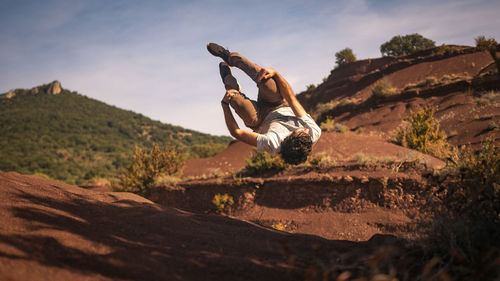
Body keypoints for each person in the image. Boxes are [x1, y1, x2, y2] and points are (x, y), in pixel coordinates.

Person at [207, 43, 321, 165]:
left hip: (259, 120)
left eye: (300, 131)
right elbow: (291, 99)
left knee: (235, 100)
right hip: (278, 104)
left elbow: (237, 133)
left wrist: (225, 106)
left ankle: (229, 80)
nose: (305, 129)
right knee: (266, 79)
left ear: (288, 137)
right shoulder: (313, 131)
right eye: (307, 133)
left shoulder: (273, 143)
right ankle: (229, 57)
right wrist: (276, 74)